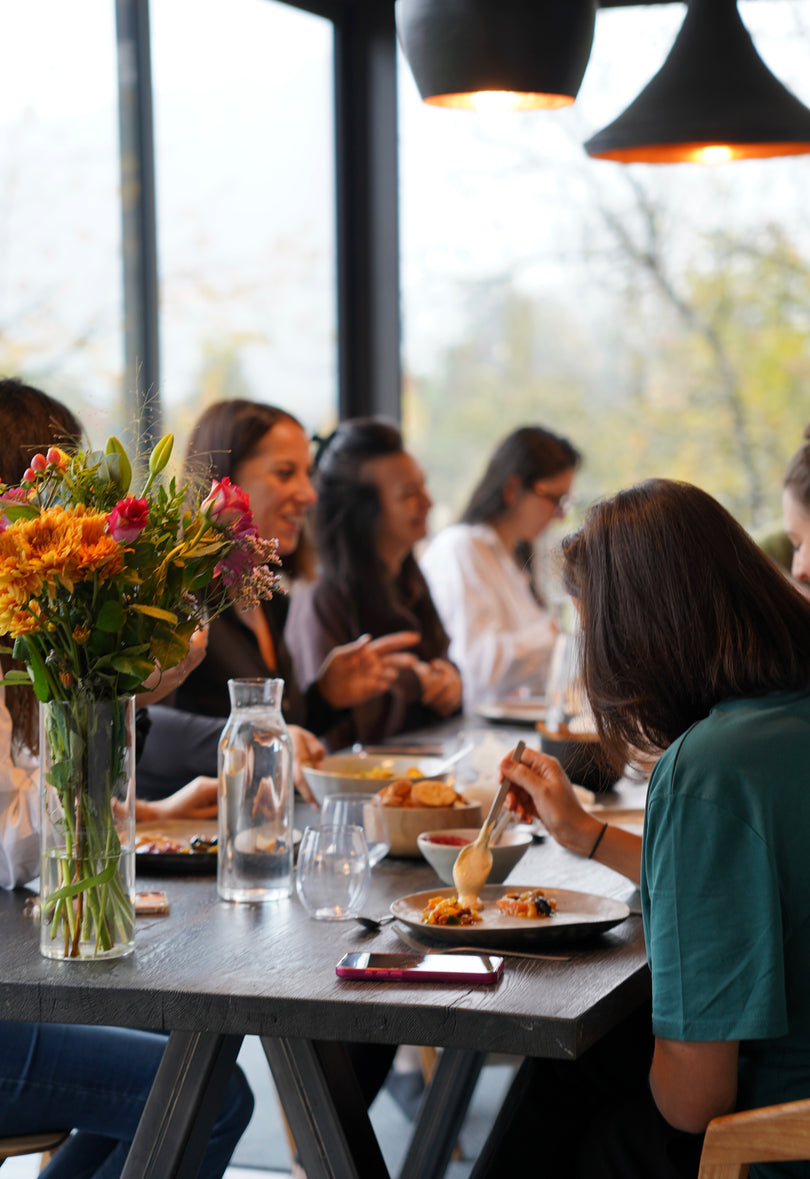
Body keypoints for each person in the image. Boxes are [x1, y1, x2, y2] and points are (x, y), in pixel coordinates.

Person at [475, 478, 810, 1179]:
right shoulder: (783, 721)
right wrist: (588, 834)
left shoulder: (713, 768)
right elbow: (763, 875)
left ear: (639, 631)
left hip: (774, 1140)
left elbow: (694, 1099)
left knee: (572, 1094)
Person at [0, 379, 253, 1178]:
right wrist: (110, 695)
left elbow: (18, 808)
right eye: (58, 485)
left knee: (186, 1059)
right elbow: (13, 851)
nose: (80, 520)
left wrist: (138, 798)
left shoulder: (22, 639)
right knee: (207, 1095)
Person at [167, 400, 419, 786]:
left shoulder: (271, 603)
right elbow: (145, 724)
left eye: (308, 474)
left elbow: (285, 739)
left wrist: (325, 697)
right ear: (223, 479)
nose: (309, 494)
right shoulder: (176, 596)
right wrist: (256, 737)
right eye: (285, 473)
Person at [286, 417, 462, 751]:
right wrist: (416, 685)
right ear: (363, 512)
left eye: (423, 486)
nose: (428, 502)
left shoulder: (409, 574)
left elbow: (440, 657)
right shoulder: (323, 594)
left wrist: (450, 682)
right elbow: (328, 728)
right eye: (409, 495)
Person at [419, 425, 580, 711]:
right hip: (473, 731)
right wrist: (551, 635)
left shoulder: (511, 558)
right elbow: (477, 667)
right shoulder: (462, 548)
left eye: (564, 503)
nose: (558, 514)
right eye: (553, 499)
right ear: (512, 489)